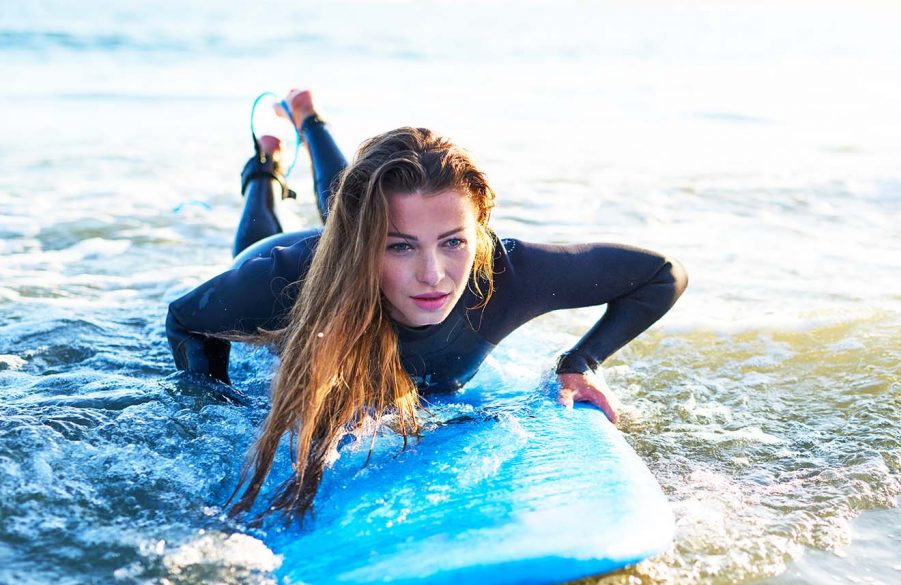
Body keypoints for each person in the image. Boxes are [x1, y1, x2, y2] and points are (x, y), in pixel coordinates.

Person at [166, 89, 687, 521]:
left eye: (454, 241)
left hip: (361, 228)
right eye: (401, 247)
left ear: (478, 228)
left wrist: (581, 363)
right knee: (279, 221)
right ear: (365, 244)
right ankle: (266, 163)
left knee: (349, 198)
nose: (433, 275)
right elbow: (187, 320)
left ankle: (308, 114)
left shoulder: (508, 273)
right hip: (299, 254)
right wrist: (216, 405)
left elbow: (662, 275)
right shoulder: (287, 280)